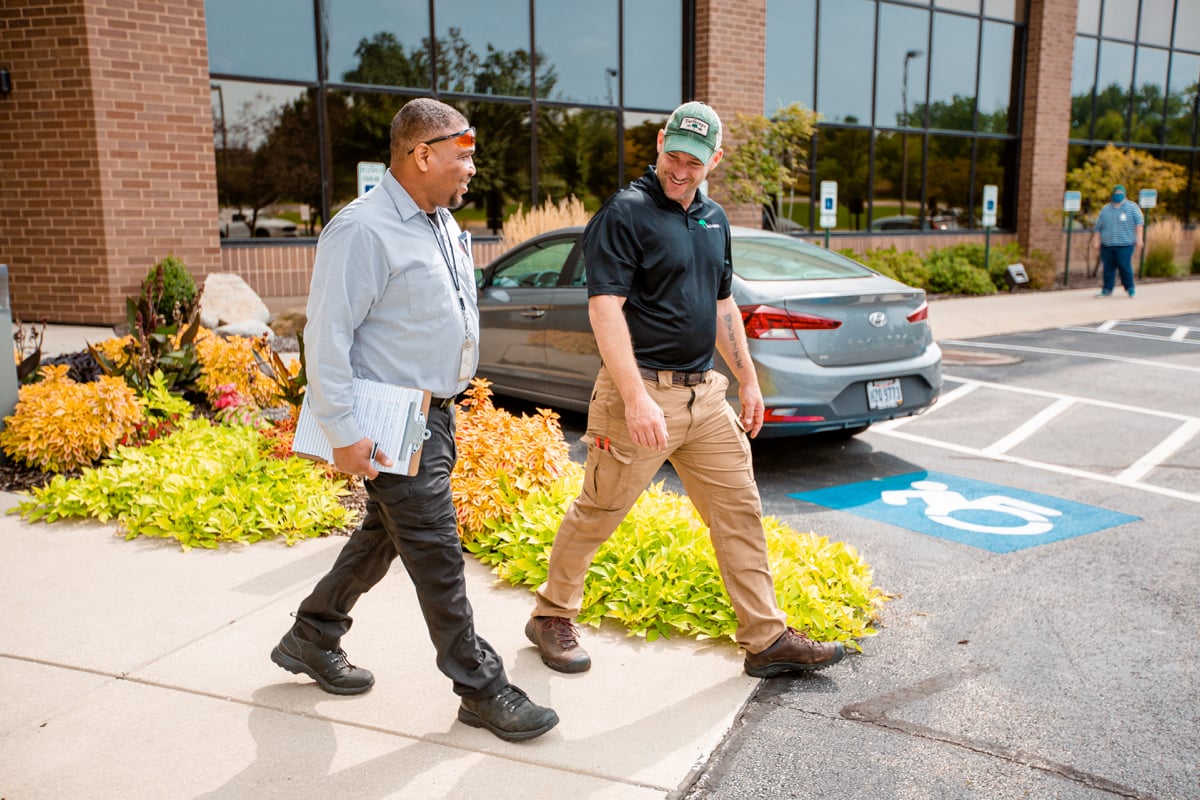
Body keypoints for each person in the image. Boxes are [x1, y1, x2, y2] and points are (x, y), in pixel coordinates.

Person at [523, 101, 846, 679]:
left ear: (713, 160)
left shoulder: (714, 219)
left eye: (694, 162)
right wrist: (637, 397)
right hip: (639, 395)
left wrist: (748, 381)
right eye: (674, 155)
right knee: (600, 510)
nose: (681, 169)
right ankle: (552, 614)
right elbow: (605, 310)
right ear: (658, 144)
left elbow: (723, 303)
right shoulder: (624, 213)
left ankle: (766, 639)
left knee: (740, 511)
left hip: (706, 397)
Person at [270, 98, 558, 743]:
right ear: (422, 154)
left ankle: (312, 634)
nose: (471, 168)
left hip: (433, 415)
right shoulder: (362, 230)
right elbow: (327, 336)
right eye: (462, 154)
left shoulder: (444, 223)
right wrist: (343, 432)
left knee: (384, 533)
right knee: (437, 554)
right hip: (386, 420)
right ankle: (481, 686)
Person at [1091, 184, 1144, 298]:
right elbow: (1098, 227)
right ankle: (1107, 289)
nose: (1117, 195)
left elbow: (1139, 223)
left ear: (1124, 194)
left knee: (1124, 266)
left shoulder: (1132, 207)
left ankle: (1130, 288)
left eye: (1120, 193)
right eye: (1116, 193)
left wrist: (1139, 239)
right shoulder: (1106, 209)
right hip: (1108, 245)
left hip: (1125, 244)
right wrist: (1096, 241)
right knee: (1108, 268)